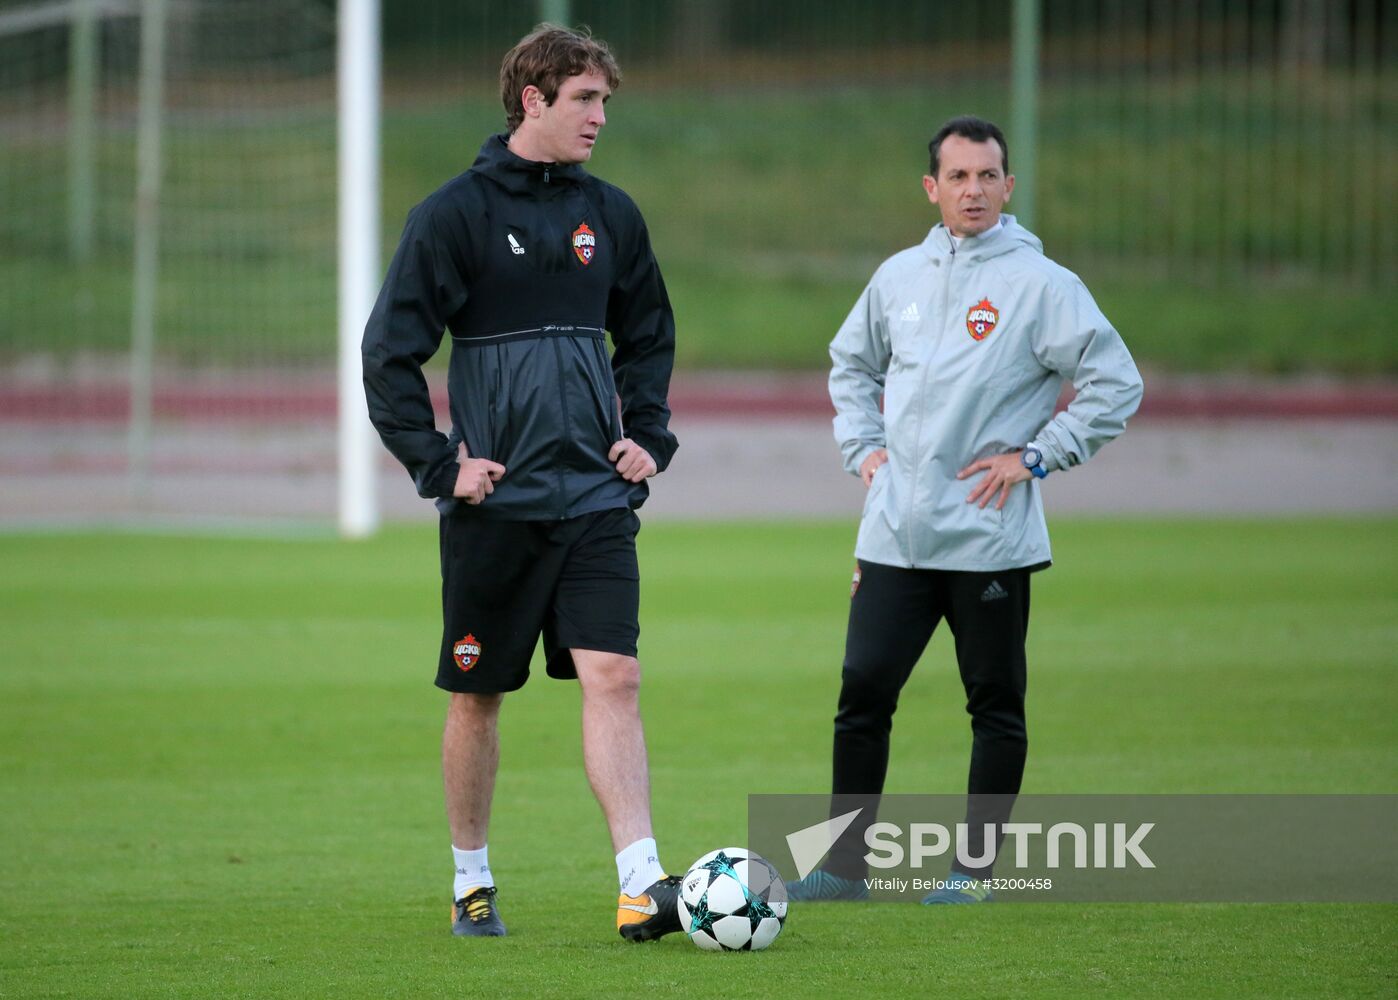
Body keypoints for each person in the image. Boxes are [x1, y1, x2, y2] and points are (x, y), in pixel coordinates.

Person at [362, 24, 683, 941]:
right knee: (478, 695)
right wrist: (440, 465)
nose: (600, 117)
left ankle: (641, 884)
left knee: (615, 674)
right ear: (532, 100)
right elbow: (388, 354)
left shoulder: (612, 214)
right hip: (495, 506)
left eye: (604, 101)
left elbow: (649, 334)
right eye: (585, 99)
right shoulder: (452, 215)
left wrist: (646, 436)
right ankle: (471, 880)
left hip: (595, 499)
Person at [787, 115, 1143, 904]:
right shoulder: (898, 278)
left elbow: (1117, 383)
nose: (973, 190)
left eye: (987, 176)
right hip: (894, 535)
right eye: (958, 177)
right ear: (932, 188)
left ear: (1008, 186)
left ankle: (974, 872)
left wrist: (1038, 456)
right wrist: (864, 449)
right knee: (862, 693)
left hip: (988, 537)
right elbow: (850, 365)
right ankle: (844, 868)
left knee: (994, 705)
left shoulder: (1043, 285)